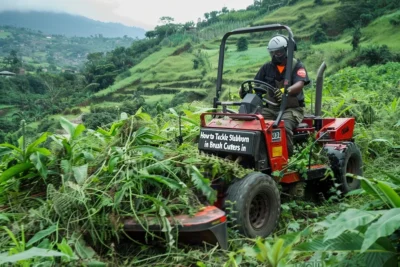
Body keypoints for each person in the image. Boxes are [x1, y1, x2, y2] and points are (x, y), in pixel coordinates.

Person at [239, 35, 310, 157]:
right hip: (271, 109)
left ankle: (287, 159)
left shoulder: (296, 65)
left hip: (291, 109)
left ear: (285, 50)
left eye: (278, 52)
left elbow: (300, 83)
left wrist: (285, 91)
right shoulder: (267, 67)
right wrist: (245, 91)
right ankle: (255, 155)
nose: (275, 55)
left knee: (283, 127)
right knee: (250, 121)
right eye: (272, 52)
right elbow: (256, 85)